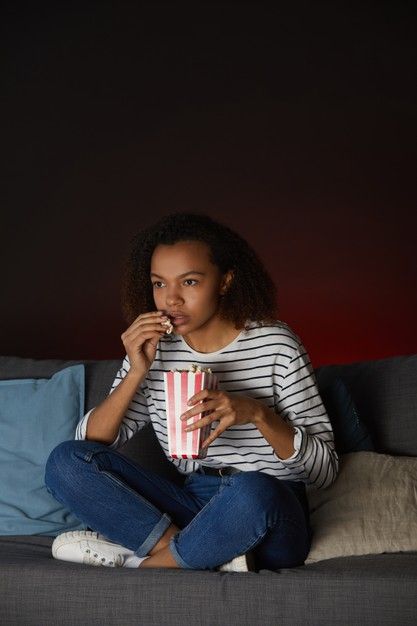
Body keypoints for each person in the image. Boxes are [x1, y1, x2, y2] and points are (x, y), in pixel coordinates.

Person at [45, 212, 339, 572]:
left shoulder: (276, 344)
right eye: (158, 284)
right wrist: (136, 371)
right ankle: (198, 553)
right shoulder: (157, 349)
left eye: (189, 282)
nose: (171, 300)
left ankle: (146, 566)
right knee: (65, 461)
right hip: (194, 500)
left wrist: (258, 413)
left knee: (252, 489)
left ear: (225, 281)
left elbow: (325, 471)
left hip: (269, 509)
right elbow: (88, 444)